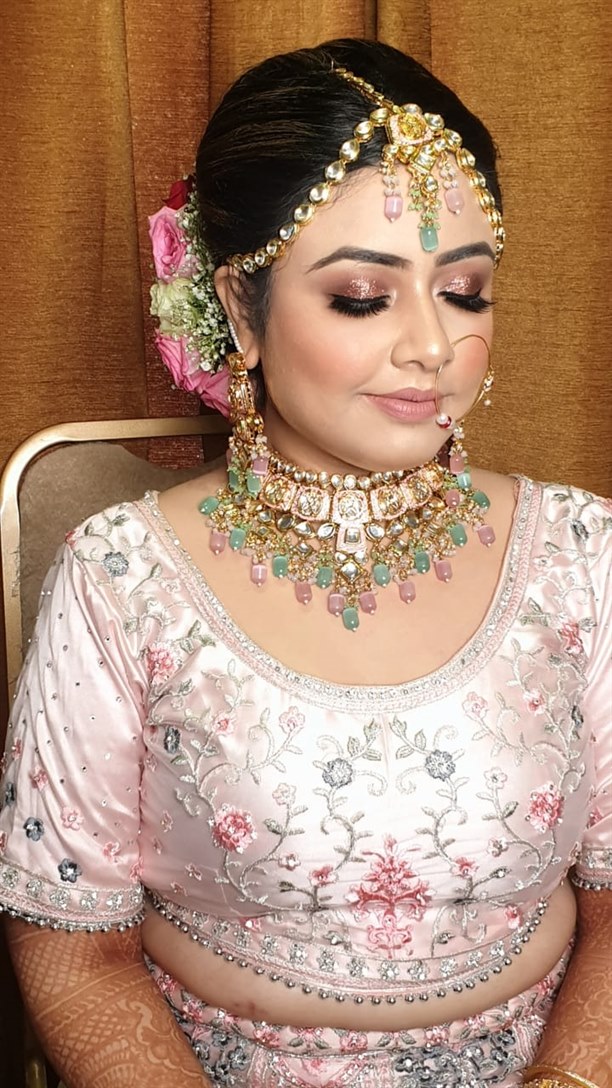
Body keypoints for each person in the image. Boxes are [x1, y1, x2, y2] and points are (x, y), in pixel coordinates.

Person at [0, 37, 610, 1088]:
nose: (433, 346)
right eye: (364, 296)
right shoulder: (122, 580)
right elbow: (71, 943)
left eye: (466, 290)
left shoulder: (584, 555)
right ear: (242, 308)